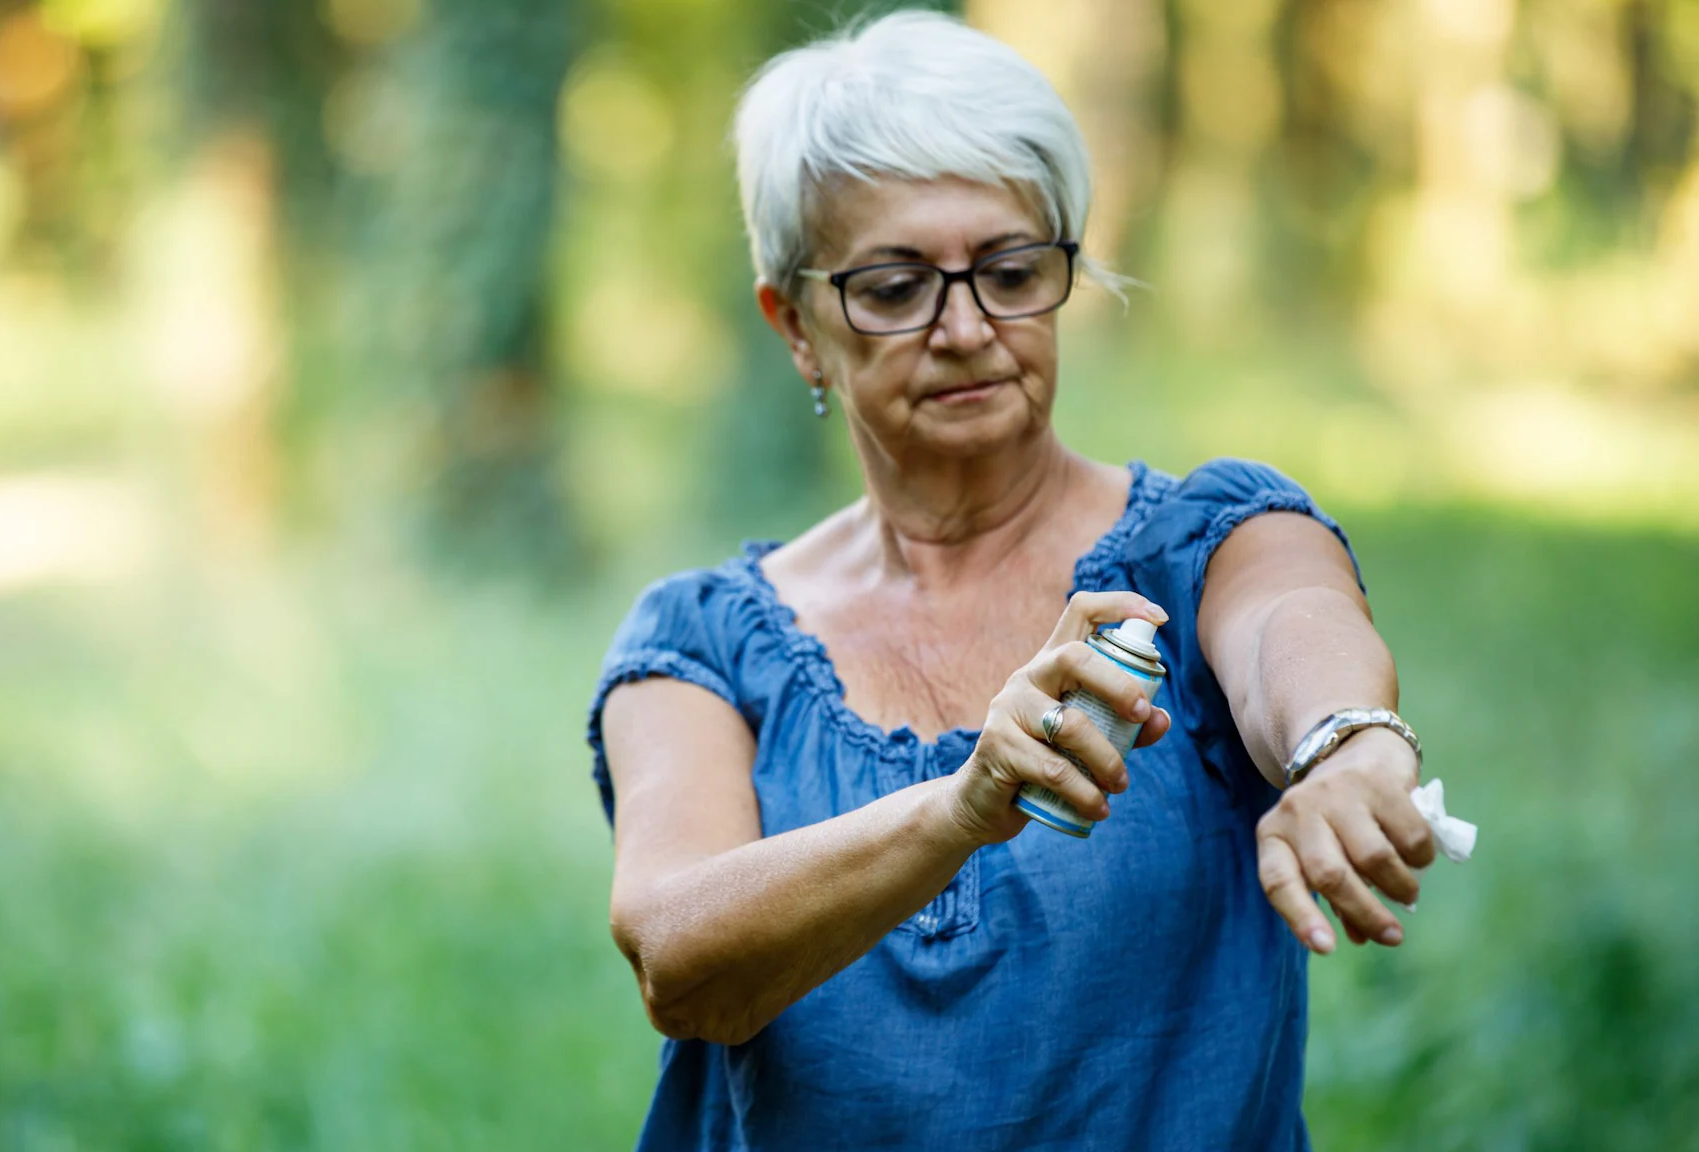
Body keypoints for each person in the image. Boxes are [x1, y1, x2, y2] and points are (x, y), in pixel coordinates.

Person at [583, 11, 1435, 1150]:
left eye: (1009, 269)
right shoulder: (703, 643)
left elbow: (1293, 621)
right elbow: (679, 963)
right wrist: (960, 808)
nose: (964, 327)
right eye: (891, 287)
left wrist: (1343, 740)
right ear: (794, 326)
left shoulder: (1201, 544)